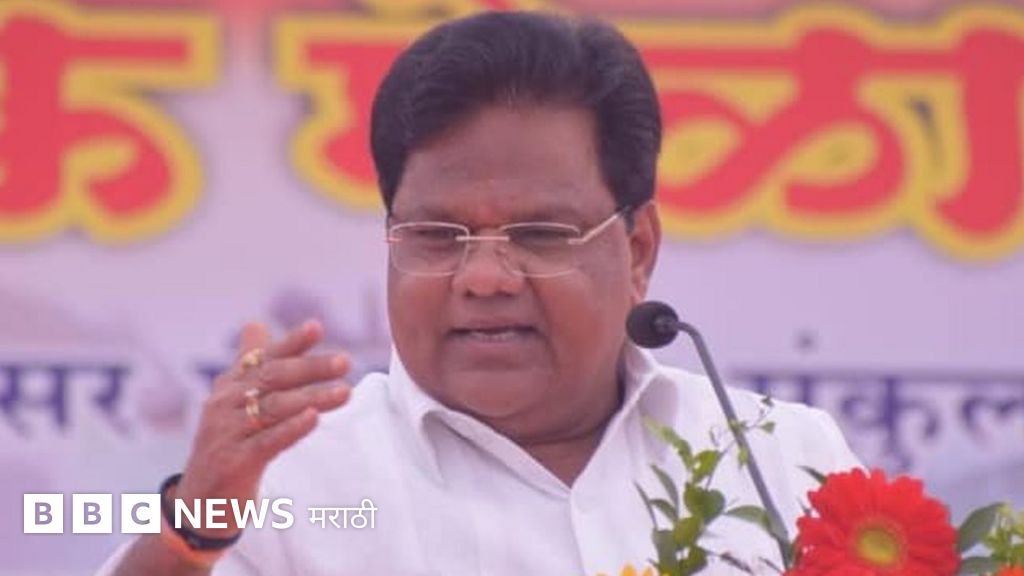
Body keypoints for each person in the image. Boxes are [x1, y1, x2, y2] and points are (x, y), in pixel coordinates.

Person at [97, 10, 859, 576]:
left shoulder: (780, 456)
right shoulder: (290, 483)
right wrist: (193, 529)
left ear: (638, 251)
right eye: (437, 235)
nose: (485, 278)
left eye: (540, 234)